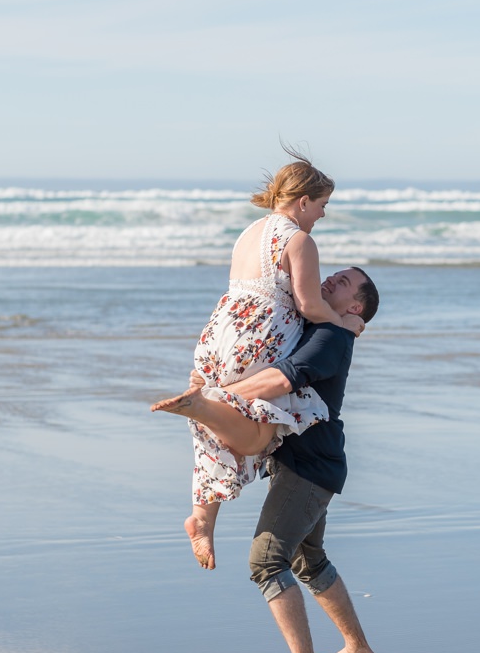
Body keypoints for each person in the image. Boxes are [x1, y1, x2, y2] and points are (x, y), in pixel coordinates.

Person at [159, 268, 381, 653]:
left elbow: (282, 379)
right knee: (308, 559)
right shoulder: (318, 325)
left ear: (355, 307)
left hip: (311, 469)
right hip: (308, 463)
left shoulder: (332, 338)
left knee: (266, 561)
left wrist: (216, 399)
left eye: (343, 283)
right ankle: (358, 649)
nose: (331, 278)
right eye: (334, 274)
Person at [153, 155, 363, 570]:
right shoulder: (298, 240)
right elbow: (307, 303)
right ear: (303, 201)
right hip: (258, 336)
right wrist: (343, 323)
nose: (322, 214)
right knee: (258, 434)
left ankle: (202, 519)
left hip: (219, 334)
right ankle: (198, 416)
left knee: (213, 423)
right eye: (322, 205)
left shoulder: (250, 232)